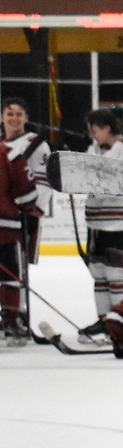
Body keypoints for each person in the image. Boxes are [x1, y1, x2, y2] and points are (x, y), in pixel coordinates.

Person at [75, 108, 123, 326]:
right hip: (95, 220)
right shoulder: (92, 149)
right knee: (98, 272)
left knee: (117, 273)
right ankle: (103, 321)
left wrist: (92, 178)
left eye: (94, 130)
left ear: (107, 127)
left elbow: (121, 179)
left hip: (122, 220)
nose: (91, 135)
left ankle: (119, 322)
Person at [1, 97, 52, 344]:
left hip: (24, 215)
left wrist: (34, 213)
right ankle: (11, 314)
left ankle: (16, 314)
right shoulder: (3, 146)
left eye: (19, 114)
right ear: (2, 117)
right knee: (11, 268)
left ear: (26, 118)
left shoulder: (36, 144)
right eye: (9, 113)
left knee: (17, 268)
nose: (14, 118)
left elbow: (44, 183)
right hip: (11, 215)